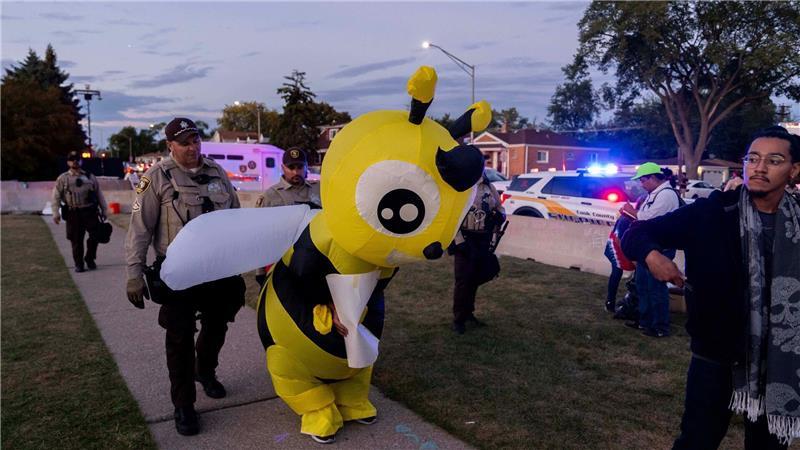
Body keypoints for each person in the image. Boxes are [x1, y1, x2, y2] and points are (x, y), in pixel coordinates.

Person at [622, 126, 800, 449]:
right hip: (716, 356)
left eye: (774, 160)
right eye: (753, 159)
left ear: (794, 170)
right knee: (696, 442)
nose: (759, 168)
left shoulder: (798, 221)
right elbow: (635, 233)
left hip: (779, 363)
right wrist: (651, 256)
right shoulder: (714, 213)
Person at [124, 117, 246, 437]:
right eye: (185, 143)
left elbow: (234, 217)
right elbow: (139, 230)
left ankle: (204, 371)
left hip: (217, 268)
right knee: (179, 338)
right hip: (178, 270)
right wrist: (133, 274)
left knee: (218, 325)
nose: (193, 148)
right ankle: (183, 405)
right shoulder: (157, 178)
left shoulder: (217, 173)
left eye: (196, 141)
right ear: (170, 146)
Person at [619, 162, 681, 338]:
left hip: (660, 249)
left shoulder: (666, 195)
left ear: (654, 178)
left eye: (643, 180)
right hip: (647, 247)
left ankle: (660, 326)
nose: (641, 184)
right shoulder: (654, 194)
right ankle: (645, 322)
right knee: (642, 285)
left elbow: (648, 218)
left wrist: (632, 212)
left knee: (656, 288)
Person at [254, 147, 321, 287]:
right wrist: (260, 272)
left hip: (315, 261)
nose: (296, 172)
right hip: (282, 262)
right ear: (283, 167)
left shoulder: (319, 191)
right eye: (291, 167)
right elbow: (260, 236)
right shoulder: (270, 196)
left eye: (300, 166)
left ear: (306, 166)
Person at [450, 169, 505, 335]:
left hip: (483, 239)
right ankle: (458, 319)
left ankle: (468, 313)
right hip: (465, 239)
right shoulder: (461, 188)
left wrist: (499, 217)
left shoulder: (489, 187)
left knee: (475, 278)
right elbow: (452, 217)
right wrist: (459, 241)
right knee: (463, 280)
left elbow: (500, 208)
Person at [52, 150, 109, 272]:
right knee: (76, 240)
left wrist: (104, 210)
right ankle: (79, 264)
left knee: (95, 236)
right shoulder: (63, 178)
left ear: (81, 161)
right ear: (68, 162)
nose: (75, 162)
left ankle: (89, 258)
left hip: (89, 211)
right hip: (73, 212)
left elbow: (99, 194)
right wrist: (55, 213)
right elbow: (56, 196)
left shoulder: (89, 176)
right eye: (72, 159)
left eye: (77, 159)